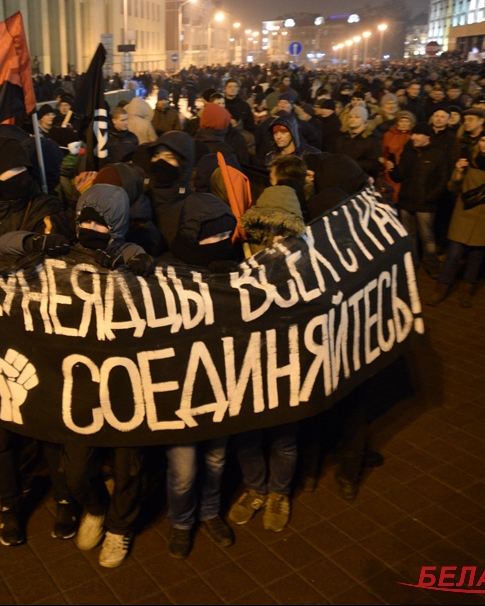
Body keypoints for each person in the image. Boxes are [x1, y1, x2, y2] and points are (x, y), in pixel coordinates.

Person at [0, 136, 74, 545]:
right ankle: (9, 503)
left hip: (38, 334)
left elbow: (53, 258)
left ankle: (64, 501)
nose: (14, 181)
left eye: (21, 174)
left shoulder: (45, 208)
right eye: (6, 176)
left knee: (50, 421)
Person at [63, 184, 153, 568]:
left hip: (126, 383)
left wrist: (137, 262)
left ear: (116, 227)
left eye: (99, 224)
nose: (89, 228)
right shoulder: (63, 255)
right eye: (84, 219)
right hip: (82, 383)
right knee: (77, 470)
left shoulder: (127, 254)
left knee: (128, 466)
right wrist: (36, 242)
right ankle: (96, 508)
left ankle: (119, 528)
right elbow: (10, 244)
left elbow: (137, 254)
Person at [159, 192, 242, 559]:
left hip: (223, 383)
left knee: (217, 460)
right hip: (182, 391)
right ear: (193, 234)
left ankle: (209, 512)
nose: (219, 245)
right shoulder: (166, 271)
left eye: (225, 236)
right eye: (212, 237)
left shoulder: (237, 266)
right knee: (183, 468)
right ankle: (181, 522)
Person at [231, 183, 306, 532]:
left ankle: (279, 493)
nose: (275, 236)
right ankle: (255, 488)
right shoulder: (243, 256)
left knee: (284, 438)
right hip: (248, 364)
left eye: (283, 228)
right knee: (247, 437)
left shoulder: (307, 263)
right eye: (269, 227)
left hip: (288, 363)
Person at [429, 127, 485, 308]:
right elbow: (452, 188)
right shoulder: (468, 160)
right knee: (453, 255)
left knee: (475, 258)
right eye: (483, 140)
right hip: (463, 214)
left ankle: (466, 292)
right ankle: (440, 290)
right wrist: (458, 172)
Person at [387, 122, 449, 278]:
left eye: (417, 134)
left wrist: (430, 197)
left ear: (427, 136)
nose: (413, 137)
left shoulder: (438, 154)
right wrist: (393, 168)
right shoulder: (409, 153)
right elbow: (400, 176)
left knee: (427, 236)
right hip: (406, 201)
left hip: (425, 204)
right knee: (409, 236)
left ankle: (431, 264)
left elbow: (443, 179)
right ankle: (412, 264)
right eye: (413, 134)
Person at [335, 106, 383, 178]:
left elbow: (375, 164)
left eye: (357, 117)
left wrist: (353, 164)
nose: (352, 119)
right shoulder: (343, 137)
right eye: (350, 117)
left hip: (361, 179)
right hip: (341, 177)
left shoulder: (372, 140)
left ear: (364, 120)